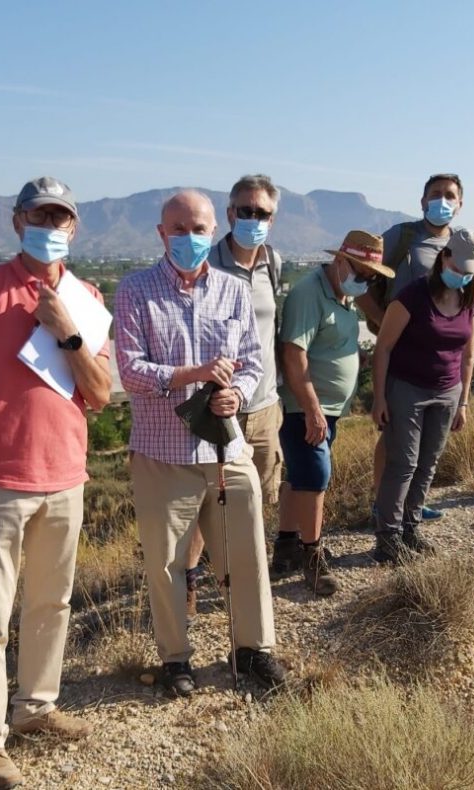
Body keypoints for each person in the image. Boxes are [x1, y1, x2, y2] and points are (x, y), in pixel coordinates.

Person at [0, 177, 111, 790]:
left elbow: (101, 392)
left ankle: (36, 709)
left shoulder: (88, 300)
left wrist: (65, 327)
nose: (51, 225)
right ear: (17, 222)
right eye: (40, 215)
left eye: (61, 217)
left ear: (74, 227)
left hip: (67, 477)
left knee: (51, 603)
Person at [114, 189, 286, 696]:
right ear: (161, 233)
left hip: (226, 451)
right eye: (180, 228)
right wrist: (194, 375)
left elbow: (253, 359)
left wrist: (238, 392)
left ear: (214, 231)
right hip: (163, 454)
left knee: (247, 553)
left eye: (200, 229)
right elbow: (129, 369)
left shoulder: (233, 291)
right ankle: (176, 659)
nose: (190, 238)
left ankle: (254, 649)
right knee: (167, 563)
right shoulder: (136, 290)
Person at [185, 174, 285, 612]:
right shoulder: (205, 261)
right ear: (229, 214)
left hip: (262, 406)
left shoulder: (273, 263)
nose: (252, 219)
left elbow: (270, 334)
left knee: (254, 500)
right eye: (245, 211)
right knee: (205, 503)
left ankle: (242, 588)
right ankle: (187, 588)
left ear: (272, 218)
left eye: (261, 213)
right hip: (217, 406)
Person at [277, 231, 394, 593]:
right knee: (316, 476)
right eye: (361, 272)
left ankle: (285, 545)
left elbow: (327, 345)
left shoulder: (344, 295)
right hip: (306, 406)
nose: (366, 280)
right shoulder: (308, 294)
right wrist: (311, 408)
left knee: (300, 476)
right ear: (340, 261)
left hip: (328, 409)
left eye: (371, 275)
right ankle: (313, 556)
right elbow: (293, 354)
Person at [355, 173, 465, 525]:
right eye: (435, 194)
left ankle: (411, 503)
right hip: (398, 350)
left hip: (438, 359)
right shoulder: (403, 237)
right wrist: (382, 318)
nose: (442, 201)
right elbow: (358, 280)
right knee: (394, 432)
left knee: (424, 440)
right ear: (422, 201)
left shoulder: (461, 245)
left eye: (450, 195)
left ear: (460, 204)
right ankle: (382, 503)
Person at [371, 229, 474, 563]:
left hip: (447, 392)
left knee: (427, 463)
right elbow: (384, 348)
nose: (463, 276)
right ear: (445, 257)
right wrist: (380, 398)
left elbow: (468, 354)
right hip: (407, 388)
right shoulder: (412, 296)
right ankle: (387, 537)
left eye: (470, 272)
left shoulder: (469, 298)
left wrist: (463, 401)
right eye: (460, 267)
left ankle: (411, 527)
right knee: (403, 463)